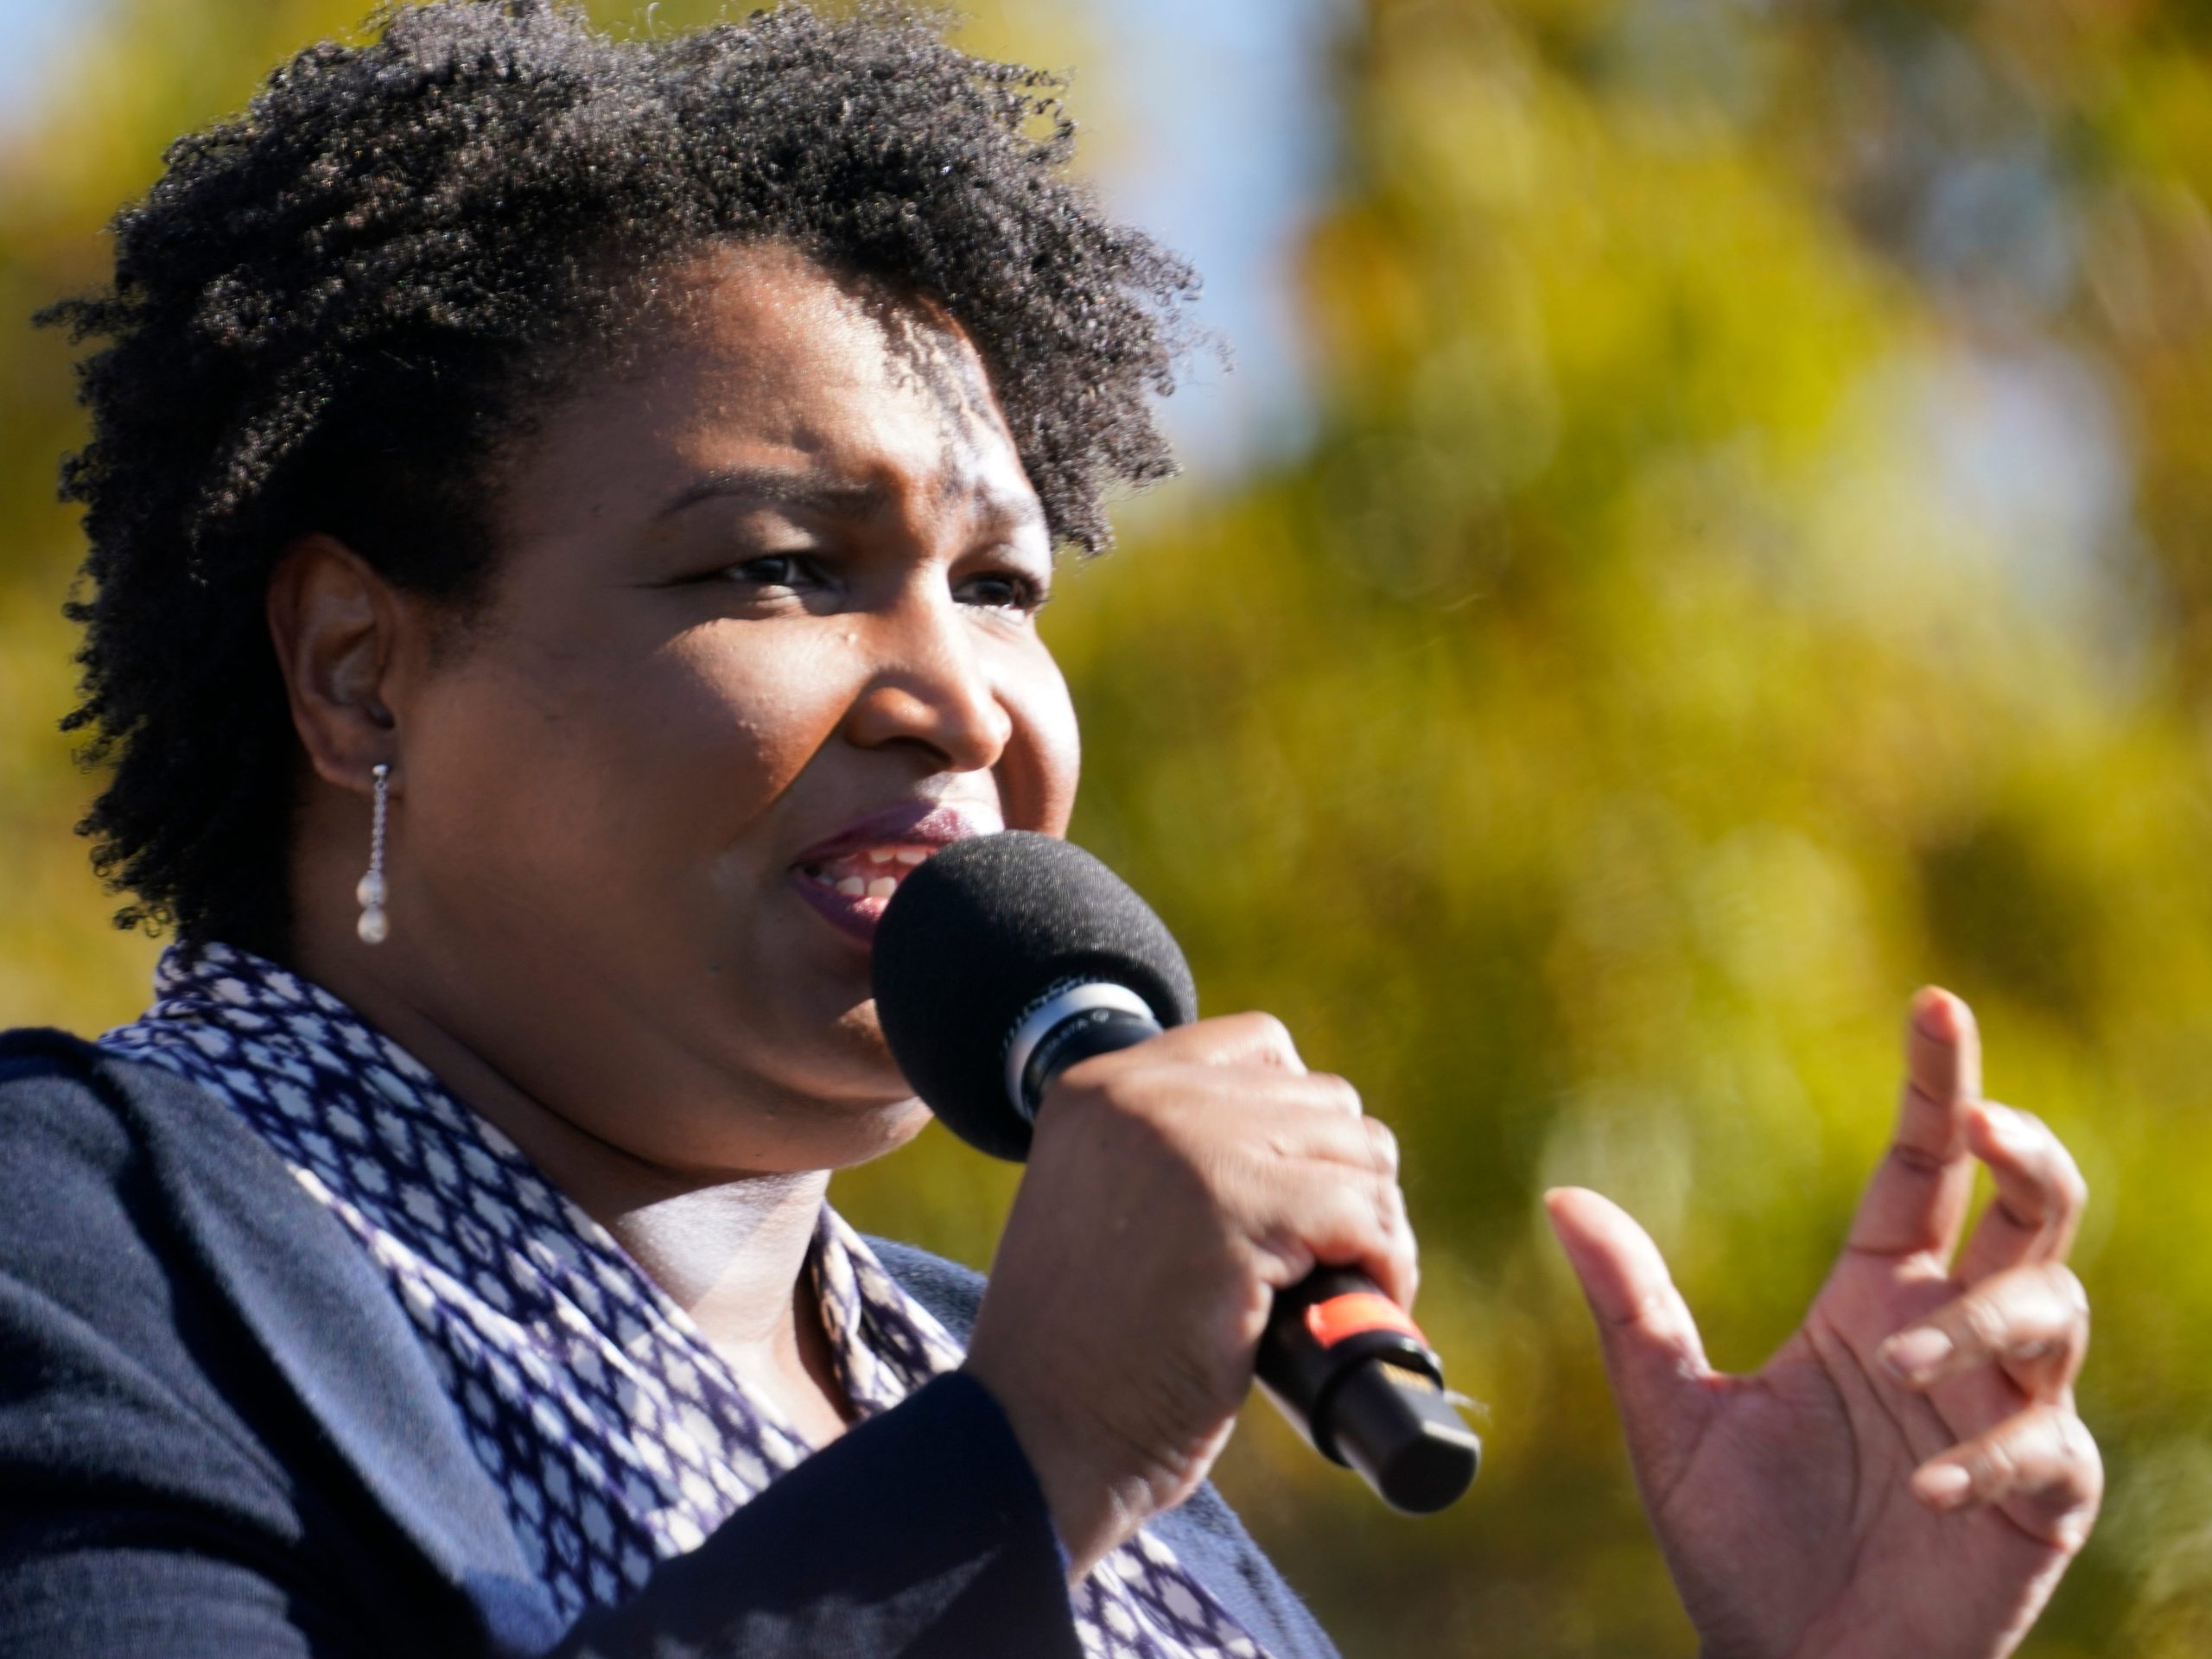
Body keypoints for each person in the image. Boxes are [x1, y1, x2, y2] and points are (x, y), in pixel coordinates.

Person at [0, 3, 2099, 1655]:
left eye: (999, 588)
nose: (959, 699)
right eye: (774, 568)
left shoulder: (972, 1374)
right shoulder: (78, 1261)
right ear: (362, 671)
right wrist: (1027, 1461)